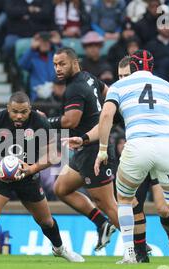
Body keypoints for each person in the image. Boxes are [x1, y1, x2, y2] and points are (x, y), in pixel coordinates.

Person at [94, 49, 169, 263]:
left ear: (132, 68)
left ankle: (129, 253)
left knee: (124, 199)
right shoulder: (165, 85)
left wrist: (102, 149)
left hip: (137, 147)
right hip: (167, 147)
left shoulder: (119, 87)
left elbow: (106, 115)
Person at [0, 91, 84, 262]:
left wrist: (31, 169)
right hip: (0, 175)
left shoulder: (39, 121)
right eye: (15, 111)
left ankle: (60, 249)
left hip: (29, 177)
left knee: (46, 221)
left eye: (24, 112)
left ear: (30, 109)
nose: (19, 116)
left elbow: (53, 154)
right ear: (8, 108)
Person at [48, 47, 119, 252]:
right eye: (55, 64)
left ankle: (140, 245)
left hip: (94, 149)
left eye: (62, 63)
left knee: (107, 203)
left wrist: (45, 121)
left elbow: (71, 120)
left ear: (74, 62)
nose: (57, 68)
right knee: (61, 188)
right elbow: (108, 92)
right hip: (82, 148)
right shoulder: (88, 77)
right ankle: (102, 223)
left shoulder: (74, 88)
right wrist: (109, 115)